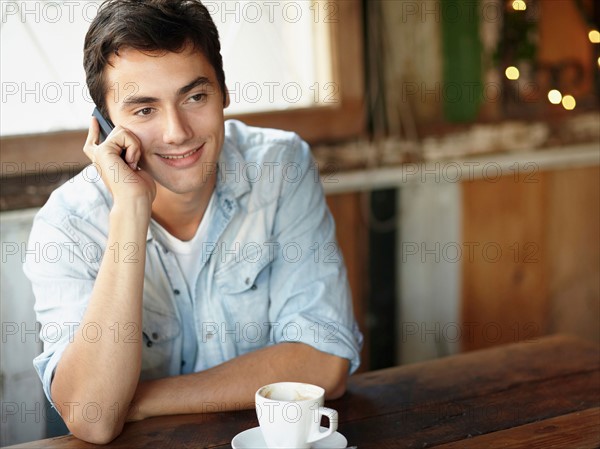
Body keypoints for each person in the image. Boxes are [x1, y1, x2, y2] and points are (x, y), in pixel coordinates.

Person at [23, 0, 362, 444]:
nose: (177, 132)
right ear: (106, 128)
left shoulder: (281, 167)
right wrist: (129, 210)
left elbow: (324, 363)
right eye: (144, 110)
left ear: (224, 92)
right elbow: (93, 416)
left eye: (195, 97)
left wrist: (138, 400)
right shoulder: (66, 225)